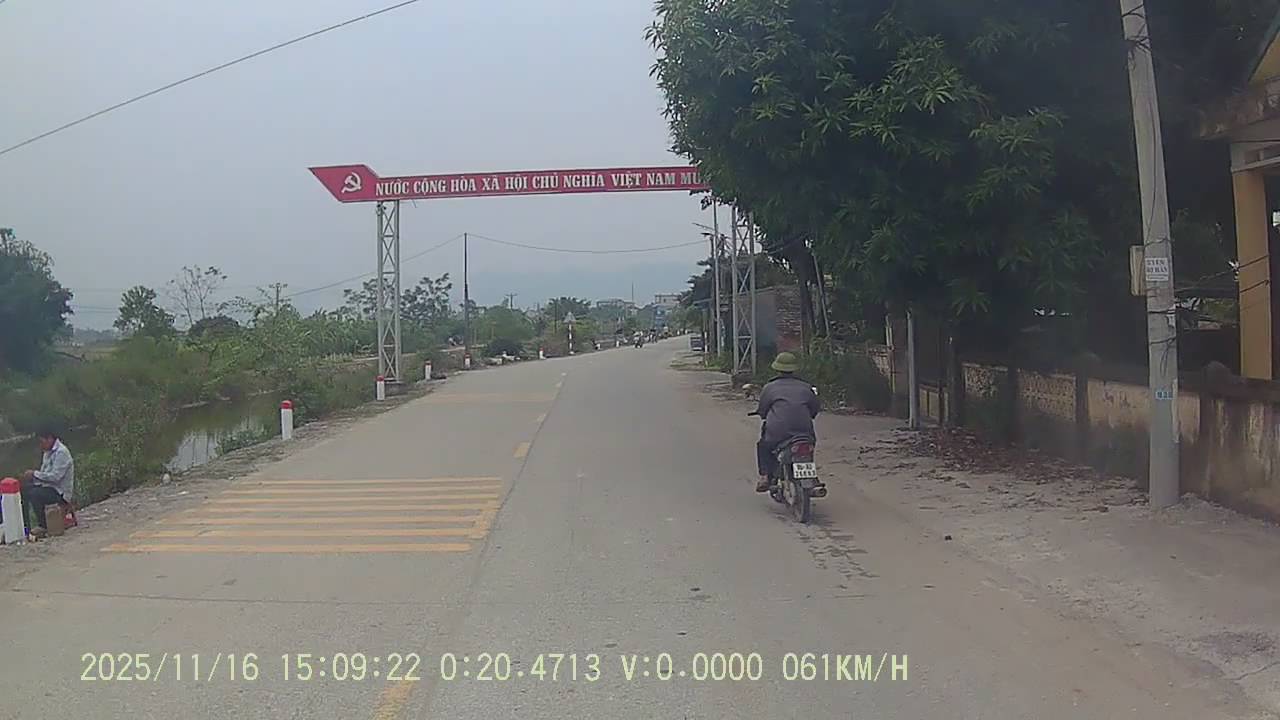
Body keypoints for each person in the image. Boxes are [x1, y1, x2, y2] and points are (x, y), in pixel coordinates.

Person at [754, 352, 820, 492]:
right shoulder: (806, 387)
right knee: (808, 447)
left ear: (777, 369)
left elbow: (763, 410)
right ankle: (811, 475)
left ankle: (765, 476)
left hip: (778, 433)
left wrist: (763, 414)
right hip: (804, 431)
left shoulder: (769, 387)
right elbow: (814, 409)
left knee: (764, 445)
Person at [20, 428, 75, 538]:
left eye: (42, 442)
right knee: (24, 490)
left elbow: (55, 477)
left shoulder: (61, 452)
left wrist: (34, 474)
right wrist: (31, 478)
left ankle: (44, 525)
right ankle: (25, 525)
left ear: (50, 439)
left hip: (60, 492)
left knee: (35, 494)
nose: (41, 445)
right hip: (49, 487)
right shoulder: (47, 453)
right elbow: (44, 474)